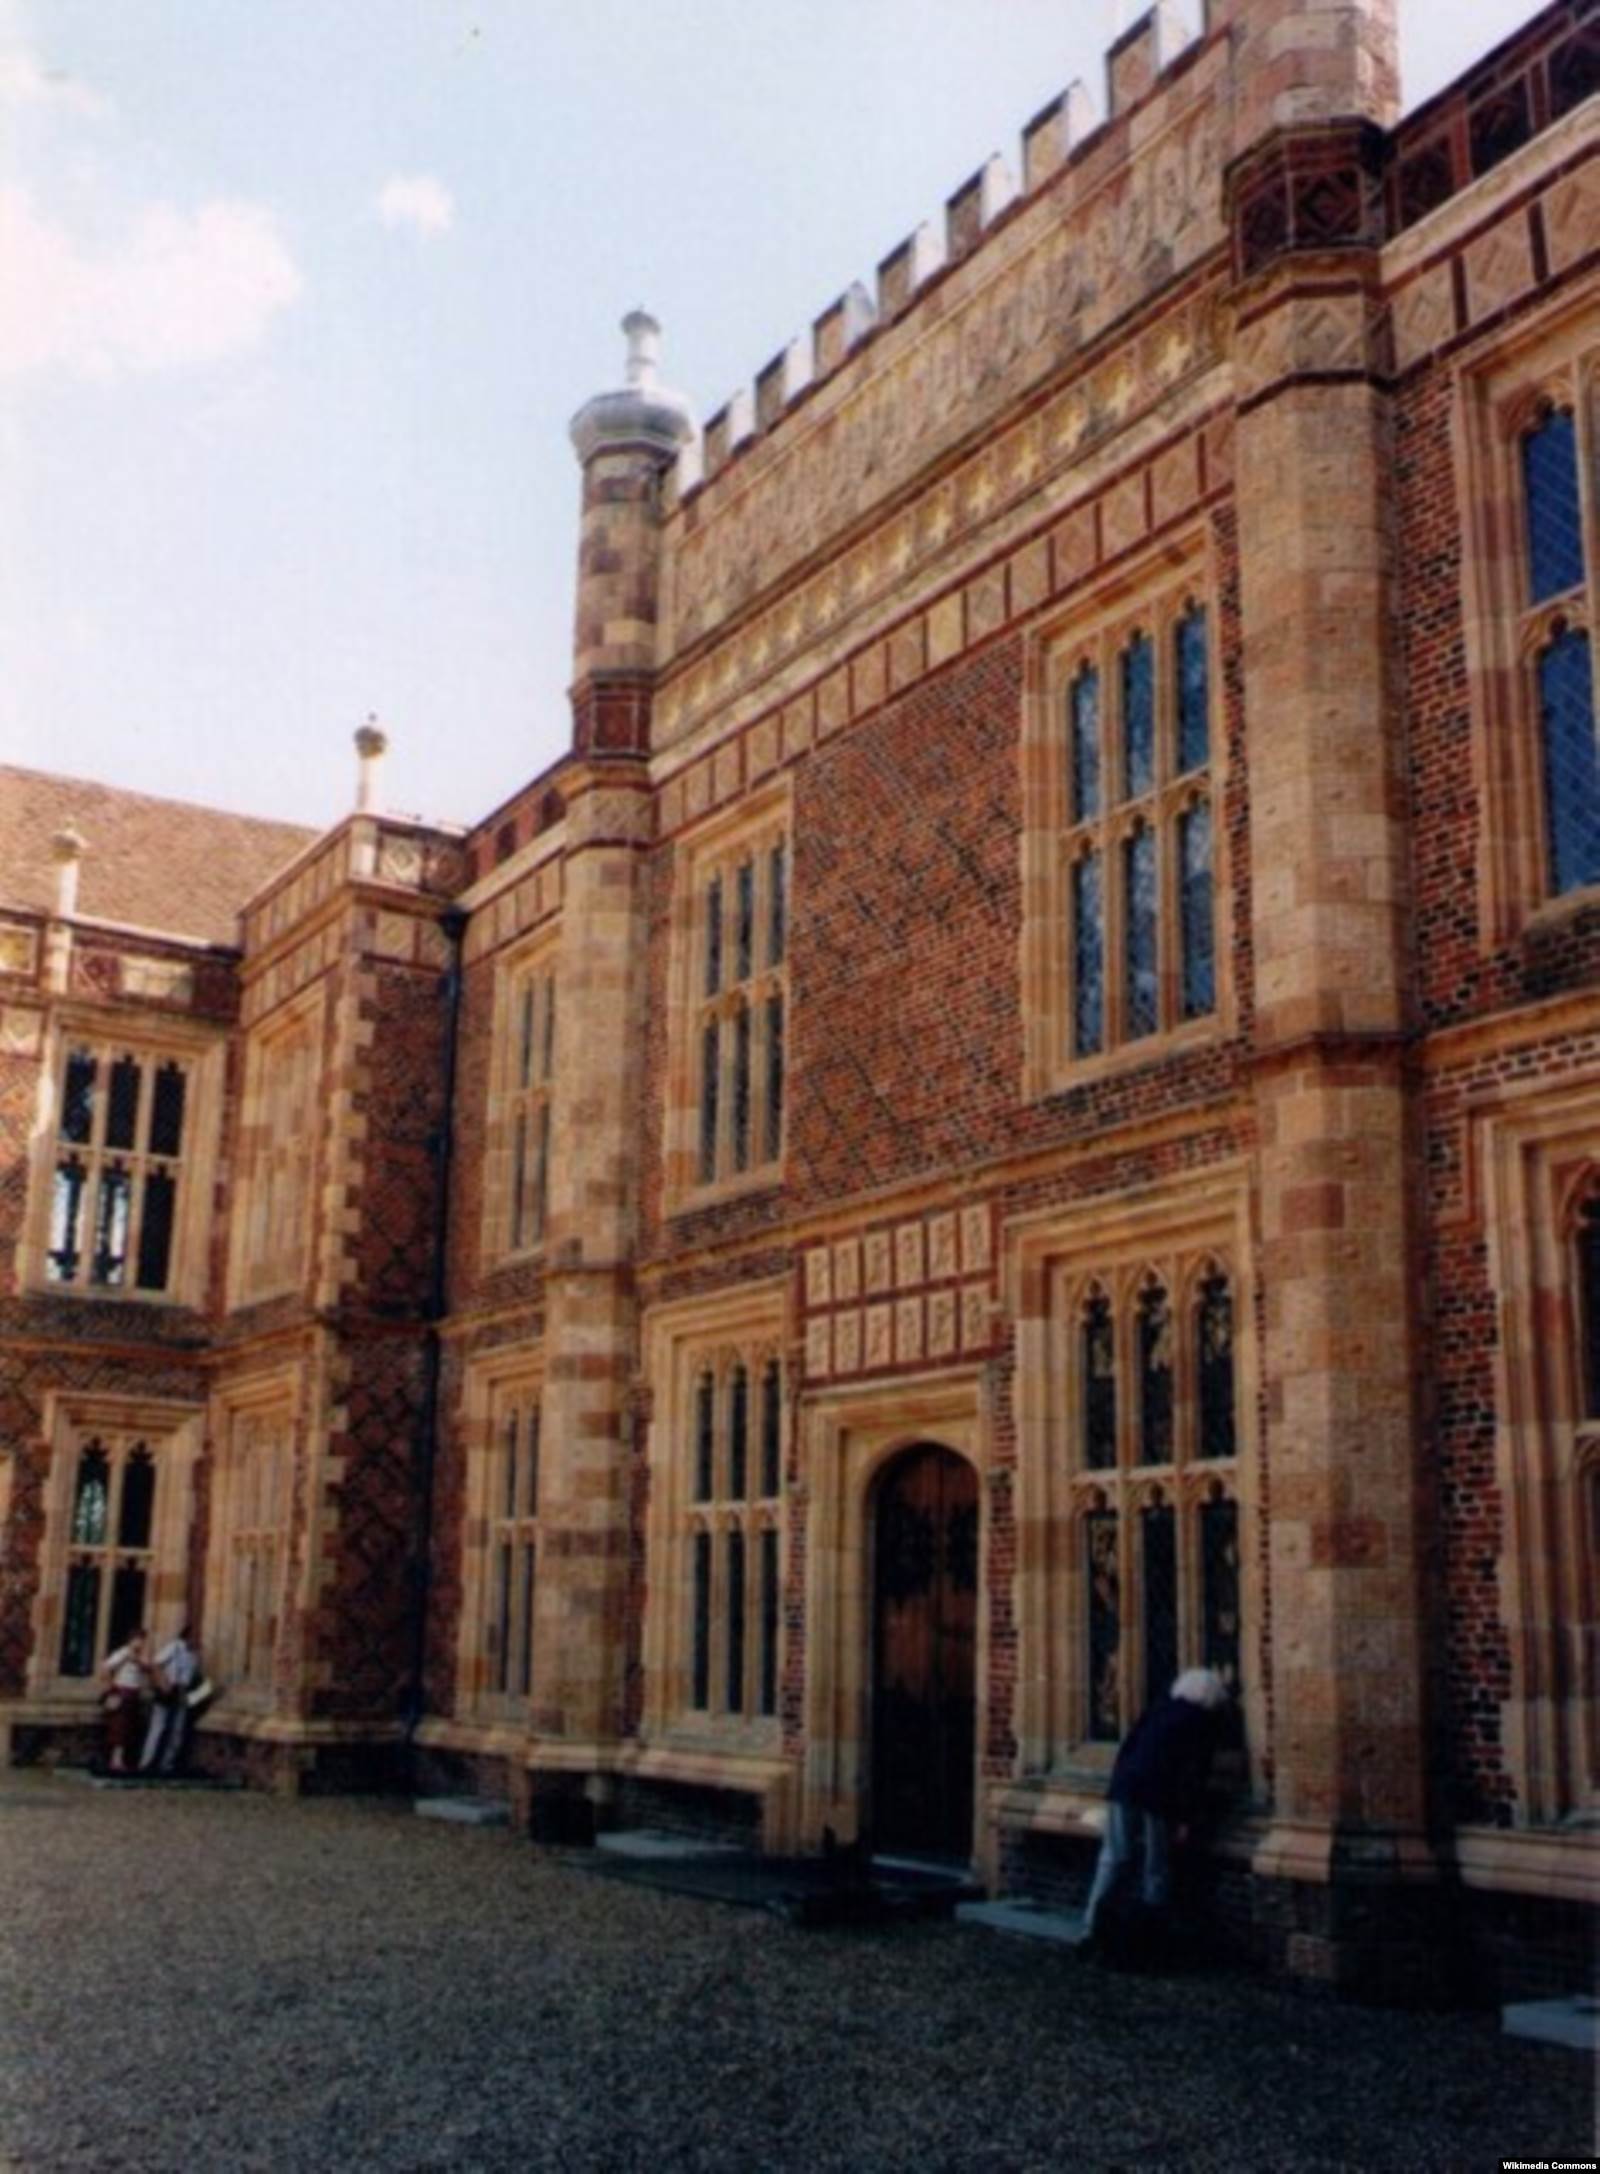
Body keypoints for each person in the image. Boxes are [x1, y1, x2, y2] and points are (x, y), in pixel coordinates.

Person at [1080, 1666, 1230, 1949]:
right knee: (1156, 1865)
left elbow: (1128, 1748)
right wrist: (1186, 1818)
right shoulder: (1200, 1722)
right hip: (1159, 1796)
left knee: (1112, 1857)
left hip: (1125, 1786)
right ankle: (1151, 1936)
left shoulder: (1157, 1710)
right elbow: (1192, 1774)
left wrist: (1117, 1785)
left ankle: (1090, 1928)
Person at [140, 1625, 201, 1776]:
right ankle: (146, 1763)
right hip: (168, 1689)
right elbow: (156, 1664)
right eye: (195, 1637)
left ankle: (167, 1764)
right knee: (158, 1727)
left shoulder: (193, 1656)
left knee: (177, 1730)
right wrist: (163, 1683)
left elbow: (191, 1678)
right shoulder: (174, 1647)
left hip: (182, 1692)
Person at [100, 1628, 153, 1776]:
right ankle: (115, 1760)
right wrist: (111, 1686)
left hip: (134, 1694)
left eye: (142, 1640)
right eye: (139, 1640)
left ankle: (122, 1759)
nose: (141, 1643)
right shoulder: (123, 1653)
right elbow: (106, 1667)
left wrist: (139, 1662)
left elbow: (148, 1668)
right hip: (122, 1692)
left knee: (129, 1728)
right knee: (119, 1728)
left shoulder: (141, 1656)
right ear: (132, 1640)